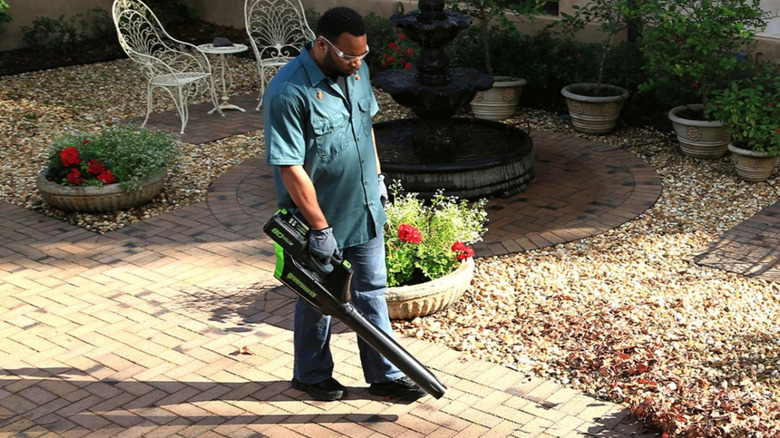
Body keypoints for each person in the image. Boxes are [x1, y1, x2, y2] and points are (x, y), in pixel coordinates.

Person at [263, 7, 426, 402]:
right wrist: (319, 229)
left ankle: (384, 375)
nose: (357, 64)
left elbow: (364, 128)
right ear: (322, 45)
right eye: (349, 56)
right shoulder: (288, 91)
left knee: (372, 292)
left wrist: (379, 180)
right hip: (320, 219)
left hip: (365, 208)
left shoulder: (357, 72)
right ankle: (311, 374)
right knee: (319, 300)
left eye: (362, 55)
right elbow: (289, 166)